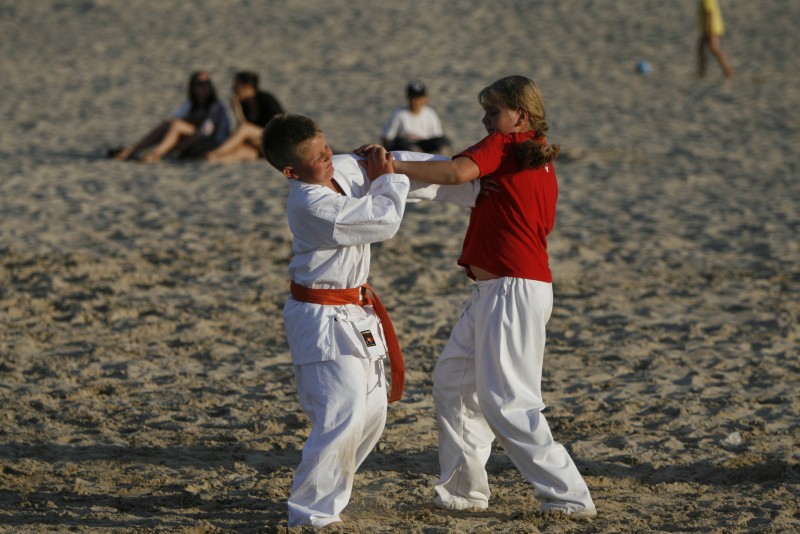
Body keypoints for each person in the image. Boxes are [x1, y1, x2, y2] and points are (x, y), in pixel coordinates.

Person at [360, 75, 597, 518]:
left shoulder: (507, 145)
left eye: (493, 111)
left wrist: (391, 169)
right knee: (454, 384)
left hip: (512, 289)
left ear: (520, 115)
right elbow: (460, 176)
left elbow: (454, 172)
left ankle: (568, 496)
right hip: (501, 289)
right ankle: (463, 492)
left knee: (508, 402)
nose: (485, 120)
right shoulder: (528, 155)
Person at [261, 114, 479, 528]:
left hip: (357, 310)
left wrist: (471, 182)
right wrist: (386, 178)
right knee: (341, 412)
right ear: (291, 172)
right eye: (317, 158)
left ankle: (330, 495)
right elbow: (383, 219)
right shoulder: (310, 204)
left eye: (327, 148)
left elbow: (398, 164)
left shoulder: (339, 168)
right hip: (320, 316)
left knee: (373, 410)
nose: (329, 158)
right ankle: (311, 515)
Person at [111, 71, 230, 162]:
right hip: (191, 138)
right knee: (169, 123)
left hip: (210, 142)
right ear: (193, 88)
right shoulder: (190, 105)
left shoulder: (216, 106)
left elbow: (206, 131)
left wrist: (180, 147)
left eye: (207, 83)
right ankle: (134, 150)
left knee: (176, 125)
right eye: (200, 84)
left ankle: (156, 154)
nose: (204, 87)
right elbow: (175, 120)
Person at [206, 71, 284, 163]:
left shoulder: (266, 99)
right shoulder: (244, 104)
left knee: (245, 129)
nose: (233, 89)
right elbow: (241, 129)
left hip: (274, 142)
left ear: (247, 87)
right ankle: (216, 159)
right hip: (260, 147)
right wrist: (237, 110)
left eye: (236, 86)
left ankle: (217, 152)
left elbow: (279, 124)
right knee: (243, 150)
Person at [381, 80, 452, 156]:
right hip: (406, 145)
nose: (415, 101)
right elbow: (387, 137)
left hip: (425, 144)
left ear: (425, 99)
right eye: (413, 98)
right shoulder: (400, 113)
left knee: (443, 141)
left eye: (418, 98)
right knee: (401, 141)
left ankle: (446, 159)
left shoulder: (430, 113)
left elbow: (437, 136)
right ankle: (418, 157)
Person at [697, 0, 734, 78]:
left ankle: (728, 71)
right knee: (701, 49)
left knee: (714, 48)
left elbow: (710, 13)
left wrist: (709, 30)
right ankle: (701, 72)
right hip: (707, 29)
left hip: (712, 28)